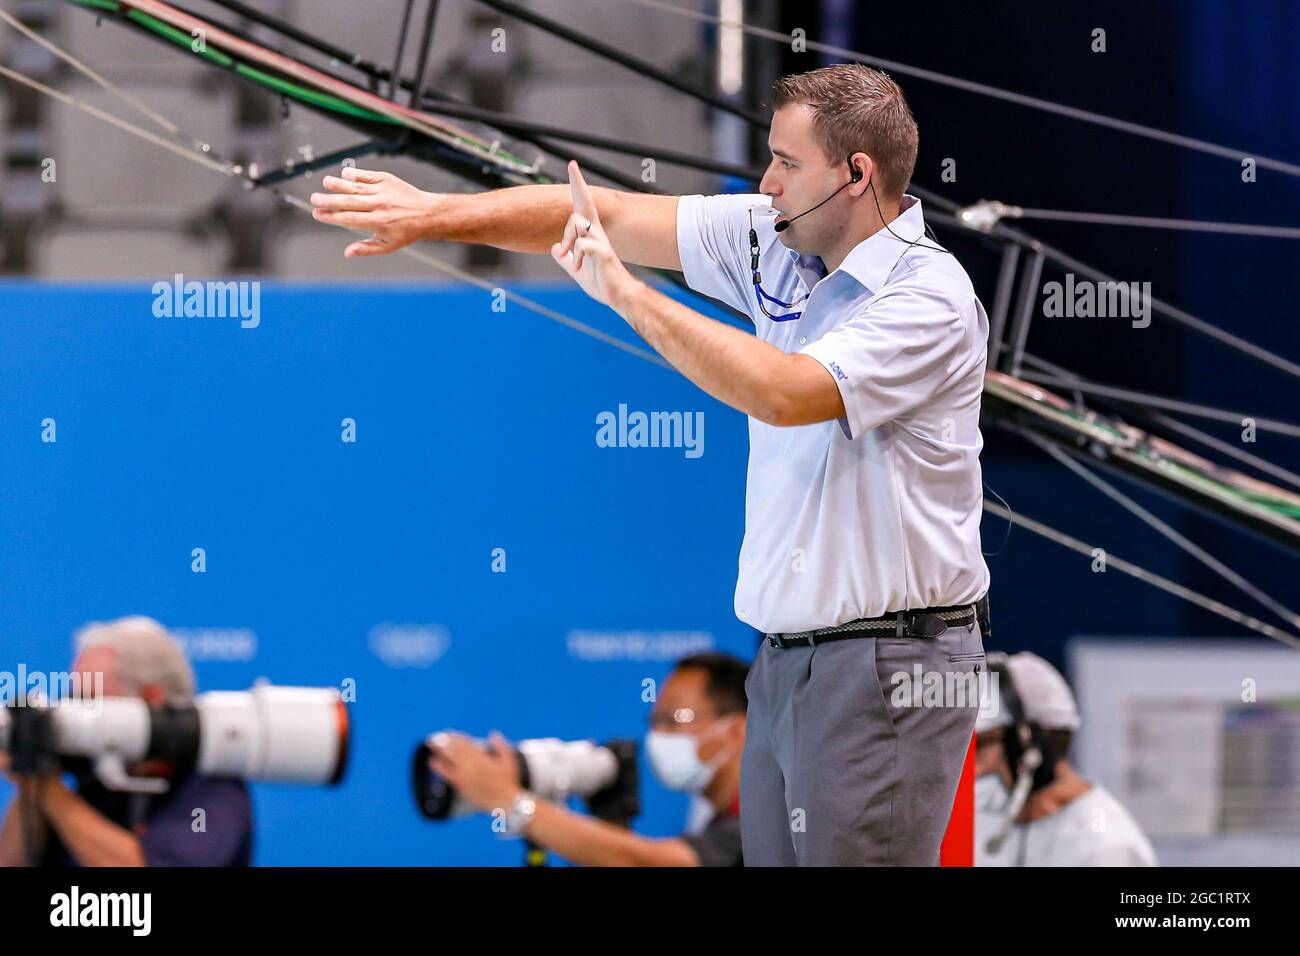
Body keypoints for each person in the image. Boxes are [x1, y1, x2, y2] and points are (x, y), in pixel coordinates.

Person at [313, 63, 990, 865]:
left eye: (786, 163)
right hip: (786, 660)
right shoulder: (776, 238)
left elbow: (783, 393)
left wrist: (628, 296)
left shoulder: (927, 298)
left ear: (855, 175)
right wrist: (433, 215)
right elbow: (601, 212)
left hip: (884, 664)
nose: (767, 181)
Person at [427, 652, 746, 866]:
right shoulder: (711, 819)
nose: (658, 735)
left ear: (737, 729)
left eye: (675, 718)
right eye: (654, 721)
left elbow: (649, 862)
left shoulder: (769, 813)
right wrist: (612, 823)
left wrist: (508, 799)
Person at [0, 616, 254, 867]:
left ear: (150, 701)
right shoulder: (98, 778)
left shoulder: (212, 786)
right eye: (73, 698)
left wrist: (50, 791)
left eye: (90, 701)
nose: (75, 713)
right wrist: (31, 778)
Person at [974, 651, 1157, 866]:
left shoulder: (1107, 848)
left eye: (981, 745)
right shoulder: (984, 817)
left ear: (1028, 745)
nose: (976, 768)